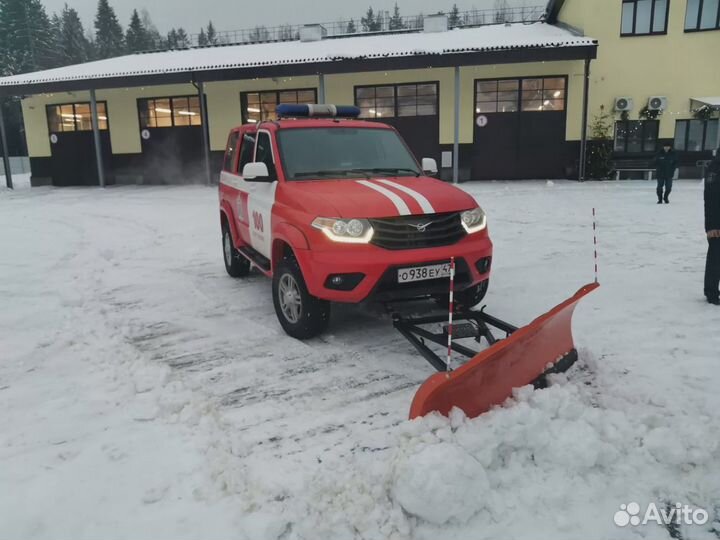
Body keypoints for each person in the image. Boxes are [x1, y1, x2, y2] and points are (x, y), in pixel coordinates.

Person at [705, 150, 720, 305]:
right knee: (715, 259)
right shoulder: (715, 168)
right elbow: (710, 199)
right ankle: (711, 292)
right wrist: (711, 226)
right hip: (717, 223)